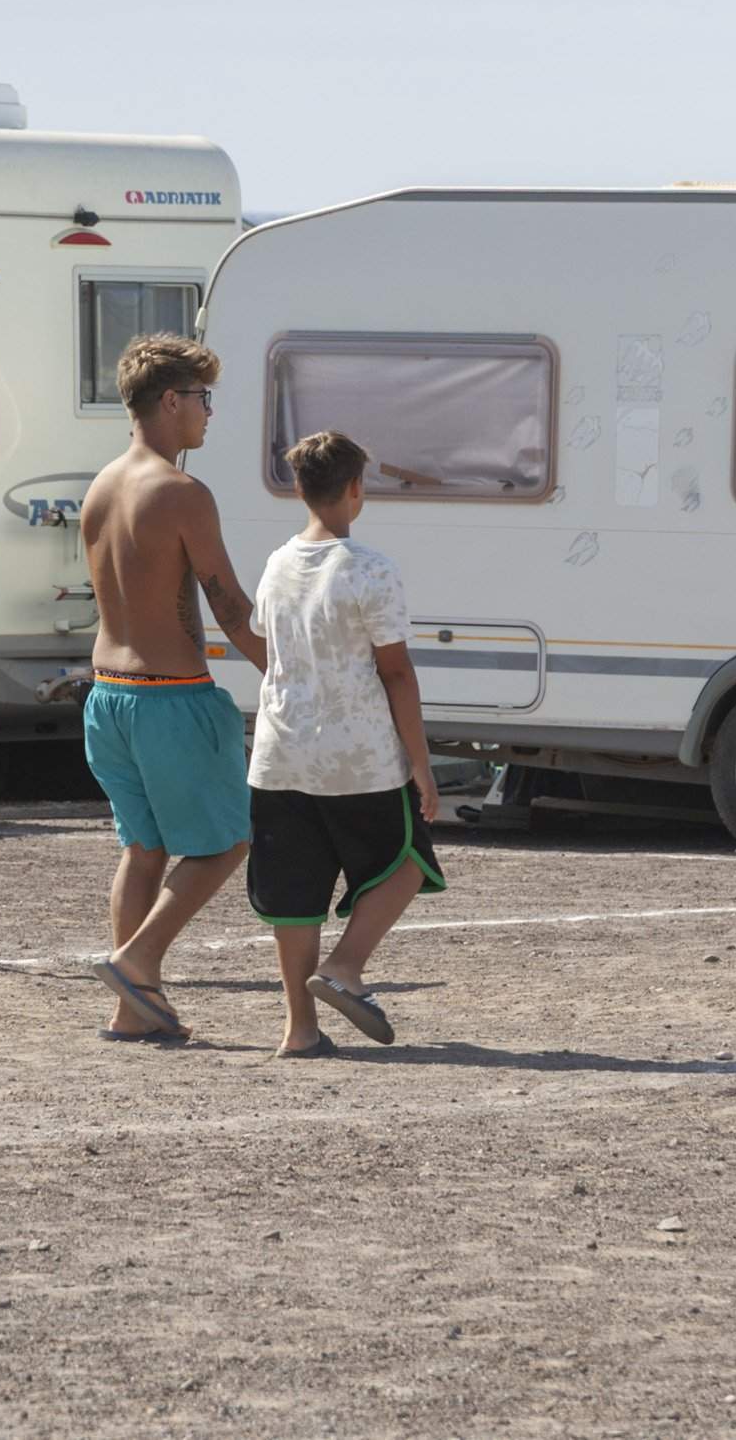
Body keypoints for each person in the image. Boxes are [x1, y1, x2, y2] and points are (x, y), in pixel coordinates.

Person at [81, 336, 268, 1043]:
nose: (208, 412)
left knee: (144, 849)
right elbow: (230, 607)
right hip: (171, 695)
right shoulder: (182, 493)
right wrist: (286, 672)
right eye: (201, 398)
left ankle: (134, 1008)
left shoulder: (101, 485)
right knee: (230, 839)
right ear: (169, 401)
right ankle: (138, 961)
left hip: (108, 696)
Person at [243, 430, 446, 1059]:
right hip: (358, 755)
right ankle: (346, 966)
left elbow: (269, 644)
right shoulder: (370, 568)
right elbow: (396, 672)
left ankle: (299, 1030)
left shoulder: (277, 564)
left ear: (299, 490)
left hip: (279, 753)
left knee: (294, 897)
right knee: (409, 862)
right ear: (356, 489)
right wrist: (421, 763)